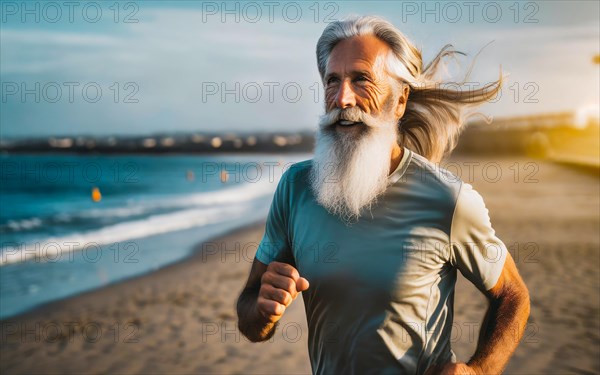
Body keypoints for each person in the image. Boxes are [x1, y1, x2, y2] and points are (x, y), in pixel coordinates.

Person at [237, 16, 530, 375]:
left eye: (361, 79)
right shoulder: (297, 187)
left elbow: (513, 296)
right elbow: (250, 318)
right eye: (333, 81)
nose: (342, 98)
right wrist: (264, 310)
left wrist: (480, 370)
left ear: (401, 99)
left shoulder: (447, 199)